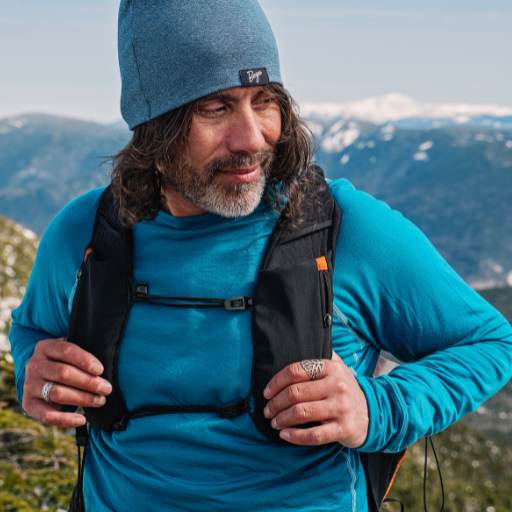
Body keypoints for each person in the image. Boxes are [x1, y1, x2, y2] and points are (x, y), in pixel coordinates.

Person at [9, 1, 512, 511]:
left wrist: (376, 407)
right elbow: (32, 331)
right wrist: (37, 371)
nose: (252, 138)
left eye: (265, 100)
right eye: (215, 108)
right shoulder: (87, 233)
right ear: (152, 122)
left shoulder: (345, 229)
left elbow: (491, 342)